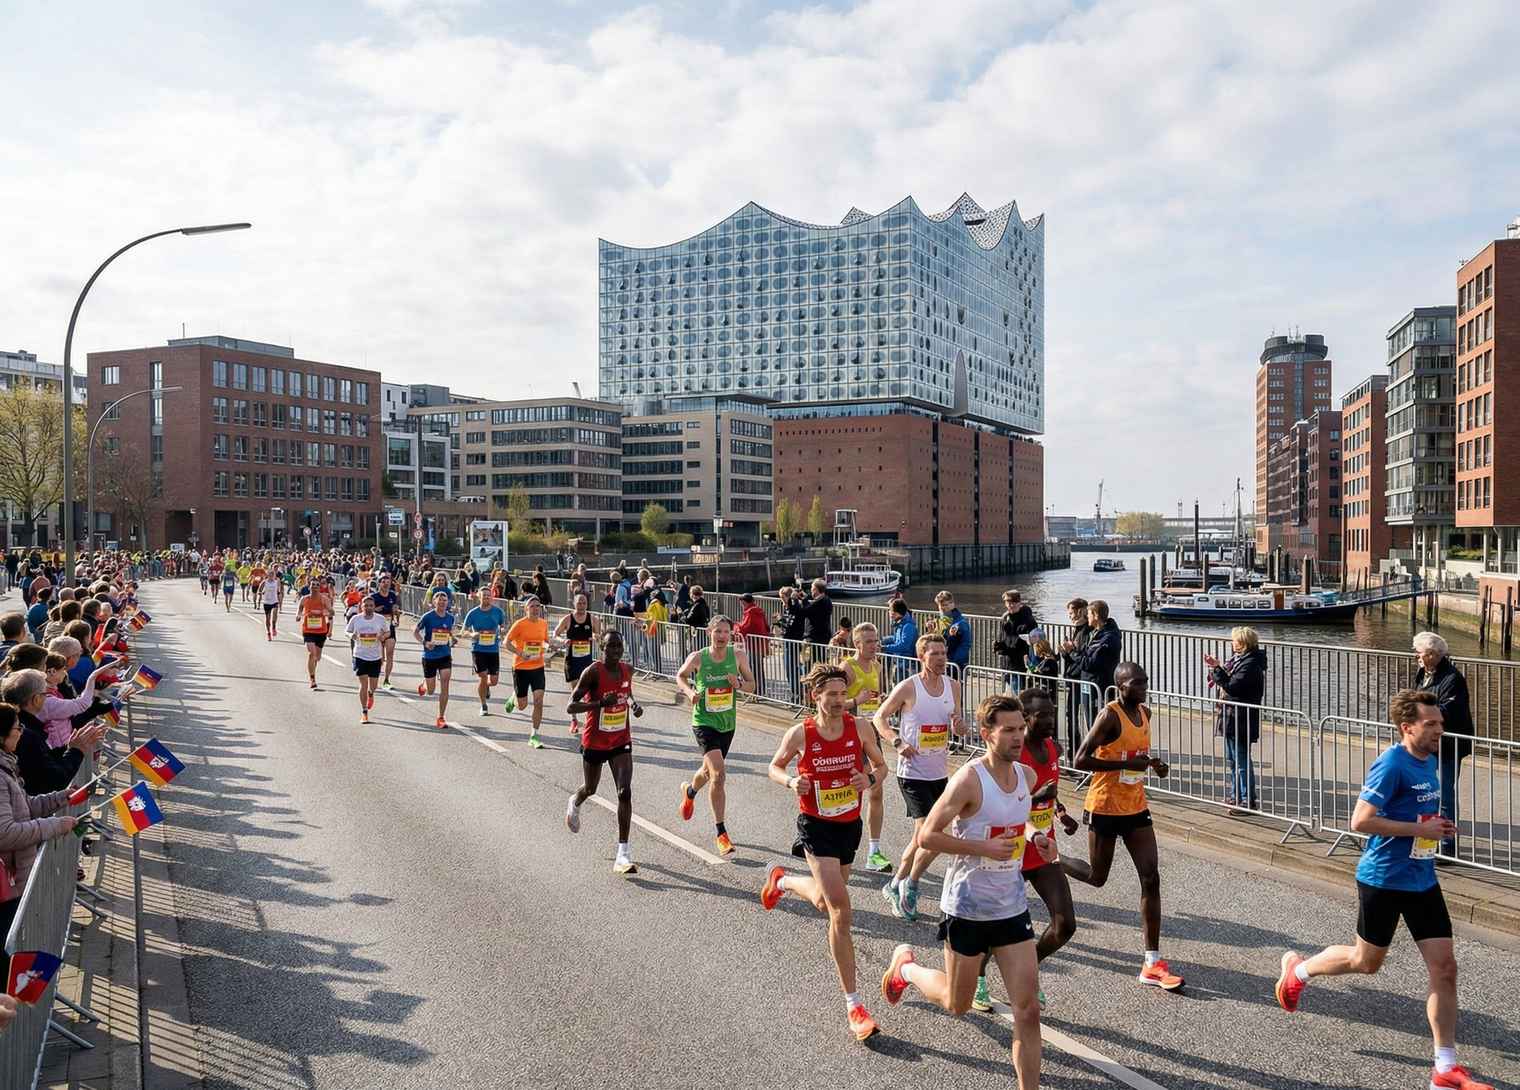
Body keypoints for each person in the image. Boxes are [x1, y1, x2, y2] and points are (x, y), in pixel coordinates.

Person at [1274, 690, 1494, 1090]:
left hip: (1422, 878)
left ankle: (1445, 1068)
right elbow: (1360, 821)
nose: (1439, 730)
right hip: (1383, 879)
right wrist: (1417, 829)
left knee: (1445, 968)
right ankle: (1298, 970)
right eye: (1431, 724)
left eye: (1441, 724)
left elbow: (1416, 813)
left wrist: (1436, 827)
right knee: (1366, 962)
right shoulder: (1391, 764)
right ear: (1407, 727)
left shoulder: (1429, 760)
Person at [879, 692, 1049, 1089]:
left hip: (1011, 907)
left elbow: (1016, 818)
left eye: (1021, 729)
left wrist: (1034, 835)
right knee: (957, 1004)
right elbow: (927, 836)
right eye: (1008, 730)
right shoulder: (969, 780)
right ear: (987, 734)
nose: (1018, 737)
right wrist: (981, 847)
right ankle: (906, 969)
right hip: (967, 908)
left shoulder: (1027, 777)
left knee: (1027, 1011)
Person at [759, 662, 884, 1043]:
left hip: (849, 824)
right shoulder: (802, 732)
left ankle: (783, 880)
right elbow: (774, 767)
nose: (839, 700)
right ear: (816, 696)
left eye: (843, 694)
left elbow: (882, 766)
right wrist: (791, 781)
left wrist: (869, 778)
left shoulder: (860, 728)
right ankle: (854, 1005)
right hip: (816, 826)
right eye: (832, 694)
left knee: (823, 902)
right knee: (841, 911)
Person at [1062, 661, 1184, 990]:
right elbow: (1080, 759)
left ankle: (1152, 962)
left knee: (1151, 877)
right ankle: (1053, 860)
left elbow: (1137, 756)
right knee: (1096, 877)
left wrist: (1154, 766)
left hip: (1135, 806)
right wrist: (1126, 763)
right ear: (1120, 686)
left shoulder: (1145, 713)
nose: (1143, 687)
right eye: (1136, 683)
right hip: (1104, 806)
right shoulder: (1109, 715)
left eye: (1145, 681)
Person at [971, 686, 1081, 1012]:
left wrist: (1060, 812)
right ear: (1026, 719)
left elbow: (1050, 791)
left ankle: (1027, 970)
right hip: (1011, 851)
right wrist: (1035, 798)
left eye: (1052, 713)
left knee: (1065, 925)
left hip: (1042, 851)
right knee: (995, 924)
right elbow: (1003, 800)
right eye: (1043, 715)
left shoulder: (1052, 749)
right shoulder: (1014, 757)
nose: (1051, 720)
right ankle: (978, 977)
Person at [874, 631, 963, 922]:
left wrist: (960, 726)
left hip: (939, 772)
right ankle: (909, 885)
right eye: (934, 653)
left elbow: (956, 722)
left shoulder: (953, 686)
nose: (941, 658)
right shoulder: (909, 687)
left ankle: (896, 883)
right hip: (912, 773)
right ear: (921, 656)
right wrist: (897, 742)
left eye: (943, 653)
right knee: (930, 835)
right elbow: (879, 717)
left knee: (921, 837)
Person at [675, 615, 755, 856]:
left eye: (726, 632)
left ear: (731, 635)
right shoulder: (698, 657)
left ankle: (690, 792)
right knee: (719, 774)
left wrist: (738, 684)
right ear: (709, 632)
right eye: (717, 631)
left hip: (727, 722)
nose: (721, 636)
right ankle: (721, 833)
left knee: (709, 772)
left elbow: (752, 685)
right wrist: (689, 692)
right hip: (704, 721)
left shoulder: (738, 656)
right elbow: (680, 676)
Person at [565, 631, 644, 875]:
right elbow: (571, 706)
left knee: (625, 791)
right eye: (611, 646)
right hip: (595, 741)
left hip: (621, 739)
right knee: (591, 788)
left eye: (619, 646)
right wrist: (599, 704)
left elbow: (626, 693)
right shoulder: (593, 672)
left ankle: (623, 853)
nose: (616, 650)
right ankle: (575, 801)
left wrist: (633, 705)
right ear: (602, 648)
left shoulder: (627, 670)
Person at [0, 704, 82, 937]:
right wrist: (55, 825)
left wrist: (61, 797)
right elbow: (5, 833)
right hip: (6, 882)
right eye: (17, 727)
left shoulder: (6, 765)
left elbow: (25, 805)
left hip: (15, 877)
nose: (21, 732)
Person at [1412, 631, 1474, 860]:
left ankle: (1447, 847)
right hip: (1427, 745)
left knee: (1445, 795)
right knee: (1427, 795)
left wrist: (1420, 714)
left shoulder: (1452, 678)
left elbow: (1449, 711)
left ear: (1432, 654)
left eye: (1419, 652)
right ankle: (1427, 845)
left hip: (1449, 746)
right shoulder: (1423, 674)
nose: (1416, 656)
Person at [841, 622, 892, 874]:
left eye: (876, 641)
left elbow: (878, 697)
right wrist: (855, 701)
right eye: (869, 641)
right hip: (848, 737)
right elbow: (832, 703)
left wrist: (882, 700)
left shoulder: (878, 666)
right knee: (849, 793)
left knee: (876, 789)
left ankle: (874, 851)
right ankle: (836, 845)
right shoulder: (847, 668)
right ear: (857, 644)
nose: (875, 645)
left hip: (871, 734)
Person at [7, 669, 106, 795]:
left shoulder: (20, 724)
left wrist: (69, 747)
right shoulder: (25, 733)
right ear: (36, 699)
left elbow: (43, 759)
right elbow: (53, 780)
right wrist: (76, 751)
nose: (48, 696)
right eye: (45, 693)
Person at [1205, 626, 1266, 812]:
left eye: (1235, 640)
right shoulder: (1239, 660)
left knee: (1241, 760)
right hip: (1232, 716)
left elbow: (1232, 686)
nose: (1232, 643)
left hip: (1241, 718)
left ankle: (1248, 800)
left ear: (1243, 643)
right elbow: (1229, 681)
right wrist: (1216, 667)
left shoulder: (1251, 664)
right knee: (1233, 759)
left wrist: (1217, 669)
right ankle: (1236, 795)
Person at [503, 596, 550, 747]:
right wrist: (521, 653)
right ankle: (514, 698)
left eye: (538, 606)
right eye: (532, 606)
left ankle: (534, 735)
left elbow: (545, 641)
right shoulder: (520, 624)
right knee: (522, 705)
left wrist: (548, 648)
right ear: (526, 609)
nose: (536, 609)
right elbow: (506, 643)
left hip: (538, 667)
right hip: (521, 668)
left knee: (538, 701)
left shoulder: (543, 623)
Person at [555, 593, 600, 735]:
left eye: (584, 603)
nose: (581, 605)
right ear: (574, 604)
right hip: (572, 660)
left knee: (587, 691)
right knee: (575, 691)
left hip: (586, 660)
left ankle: (589, 720)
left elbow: (599, 635)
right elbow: (555, 634)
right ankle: (574, 719)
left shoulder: (593, 619)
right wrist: (563, 640)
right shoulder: (567, 619)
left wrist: (596, 636)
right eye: (579, 603)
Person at [413, 591, 456, 729]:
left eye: (444, 600)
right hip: (429, 656)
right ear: (434, 602)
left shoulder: (450, 618)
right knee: (431, 691)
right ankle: (424, 685)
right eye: (439, 600)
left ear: (448, 602)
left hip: (445, 655)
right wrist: (425, 643)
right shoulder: (427, 617)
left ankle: (441, 717)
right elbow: (415, 632)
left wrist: (453, 638)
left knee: (445, 682)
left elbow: (448, 632)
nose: (442, 602)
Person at [463, 587, 506, 717]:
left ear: (491, 597)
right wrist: (472, 634)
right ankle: (483, 705)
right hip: (478, 649)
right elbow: (463, 631)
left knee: (493, 681)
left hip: (493, 649)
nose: (487, 597)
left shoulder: (498, 612)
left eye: (488, 595)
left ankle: (486, 686)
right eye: (484, 595)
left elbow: (503, 626)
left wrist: (502, 631)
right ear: (479, 597)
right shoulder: (473, 613)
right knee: (482, 676)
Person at [346, 595, 388, 724]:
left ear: (374, 607)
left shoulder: (380, 619)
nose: (368, 608)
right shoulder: (356, 619)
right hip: (360, 655)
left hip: (375, 656)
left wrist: (383, 636)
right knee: (363, 684)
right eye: (366, 605)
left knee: (373, 686)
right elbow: (347, 631)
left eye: (371, 605)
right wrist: (351, 635)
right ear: (361, 606)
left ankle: (371, 693)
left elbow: (387, 632)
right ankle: (364, 712)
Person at [1057, 597, 1091, 755]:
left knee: (1085, 715)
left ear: (1080, 611)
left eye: (1071, 613)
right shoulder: (1076, 630)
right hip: (1073, 676)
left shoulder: (1086, 631)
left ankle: (1081, 750)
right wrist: (1065, 652)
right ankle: (1074, 748)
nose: (1069, 616)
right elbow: (1073, 657)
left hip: (1080, 678)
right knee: (1071, 714)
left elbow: (1083, 658)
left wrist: (1070, 650)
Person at [297, 579, 334, 689]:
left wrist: (325, 612)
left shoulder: (324, 599)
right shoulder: (305, 599)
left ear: (319, 587)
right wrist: (298, 615)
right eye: (313, 585)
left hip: (321, 630)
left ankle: (313, 672)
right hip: (308, 630)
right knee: (311, 654)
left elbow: (332, 612)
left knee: (317, 657)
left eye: (317, 585)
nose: (315, 587)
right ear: (309, 586)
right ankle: (312, 679)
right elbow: (300, 608)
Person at [733, 592, 770, 699]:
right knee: (758, 668)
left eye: (741, 603)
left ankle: (755, 692)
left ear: (744, 602)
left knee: (753, 669)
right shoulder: (759, 611)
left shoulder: (750, 612)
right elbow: (767, 627)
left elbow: (744, 628)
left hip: (753, 644)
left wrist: (735, 626)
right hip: (760, 643)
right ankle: (760, 691)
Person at [994, 590, 1038, 679]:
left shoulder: (1027, 620)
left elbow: (1029, 642)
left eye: (1013, 602)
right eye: (1008, 602)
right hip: (1008, 663)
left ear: (1019, 603)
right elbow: (1006, 640)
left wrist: (1007, 648)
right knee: (1009, 685)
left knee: (1019, 686)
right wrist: (999, 646)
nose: (1010, 605)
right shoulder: (1006, 620)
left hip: (1021, 664)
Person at [371, 573, 403, 690]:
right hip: (377, 629)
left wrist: (397, 617)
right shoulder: (374, 597)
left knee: (390, 654)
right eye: (383, 582)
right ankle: (374, 677)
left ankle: (386, 680)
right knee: (379, 657)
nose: (386, 584)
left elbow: (396, 610)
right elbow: (366, 611)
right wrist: (375, 609)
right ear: (379, 584)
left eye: (388, 582)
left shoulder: (392, 596)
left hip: (389, 627)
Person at [775, 585, 807, 700]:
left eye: (783, 598)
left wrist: (780, 620)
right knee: (789, 667)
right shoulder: (788, 608)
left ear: (789, 597)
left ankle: (797, 693)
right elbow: (786, 625)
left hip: (793, 641)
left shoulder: (795, 608)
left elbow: (790, 626)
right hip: (788, 640)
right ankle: (795, 692)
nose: (782, 601)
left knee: (792, 668)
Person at [933, 591, 972, 675]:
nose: (943, 608)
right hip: (943, 663)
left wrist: (952, 661)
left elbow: (965, 645)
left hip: (954, 665)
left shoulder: (961, 623)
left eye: (945, 605)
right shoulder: (940, 622)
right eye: (941, 606)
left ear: (952, 604)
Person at [260, 566, 284, 640]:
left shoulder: (277, 581)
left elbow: (279, 590)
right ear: (268, 575)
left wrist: (279, 596)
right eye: (270, 575)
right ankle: (268, 633)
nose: (271, 576)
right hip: (267, 602)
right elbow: (260, 589)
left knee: (275, 614)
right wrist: (261, 592)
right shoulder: (265, 582)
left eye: (272, 575)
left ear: (274, 575)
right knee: (268, 619)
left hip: (274, 601)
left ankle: (273, 627)